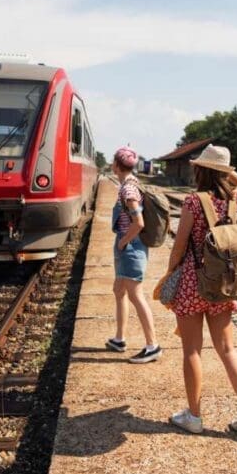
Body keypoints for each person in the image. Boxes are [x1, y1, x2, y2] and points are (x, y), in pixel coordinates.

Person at [163, 144, 237, 435]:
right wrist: (228, 171)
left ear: (200, 170)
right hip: (223, 284)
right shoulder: (233, 200)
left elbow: (179, 247)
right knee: (228, 349)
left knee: (192, 350)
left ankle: (193, 416)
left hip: (194, 283)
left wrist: (169, 275)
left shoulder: (193, 202)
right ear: (222, 173)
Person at [106, 146, 161, 364]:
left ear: (116, 166)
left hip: (131, 247)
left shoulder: (128, 190)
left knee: (136, 295)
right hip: (128, 246)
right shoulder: (131, 184)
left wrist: (122, 242)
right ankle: (119, 339)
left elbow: (139, 223)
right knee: (119, 290)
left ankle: (152, 345)